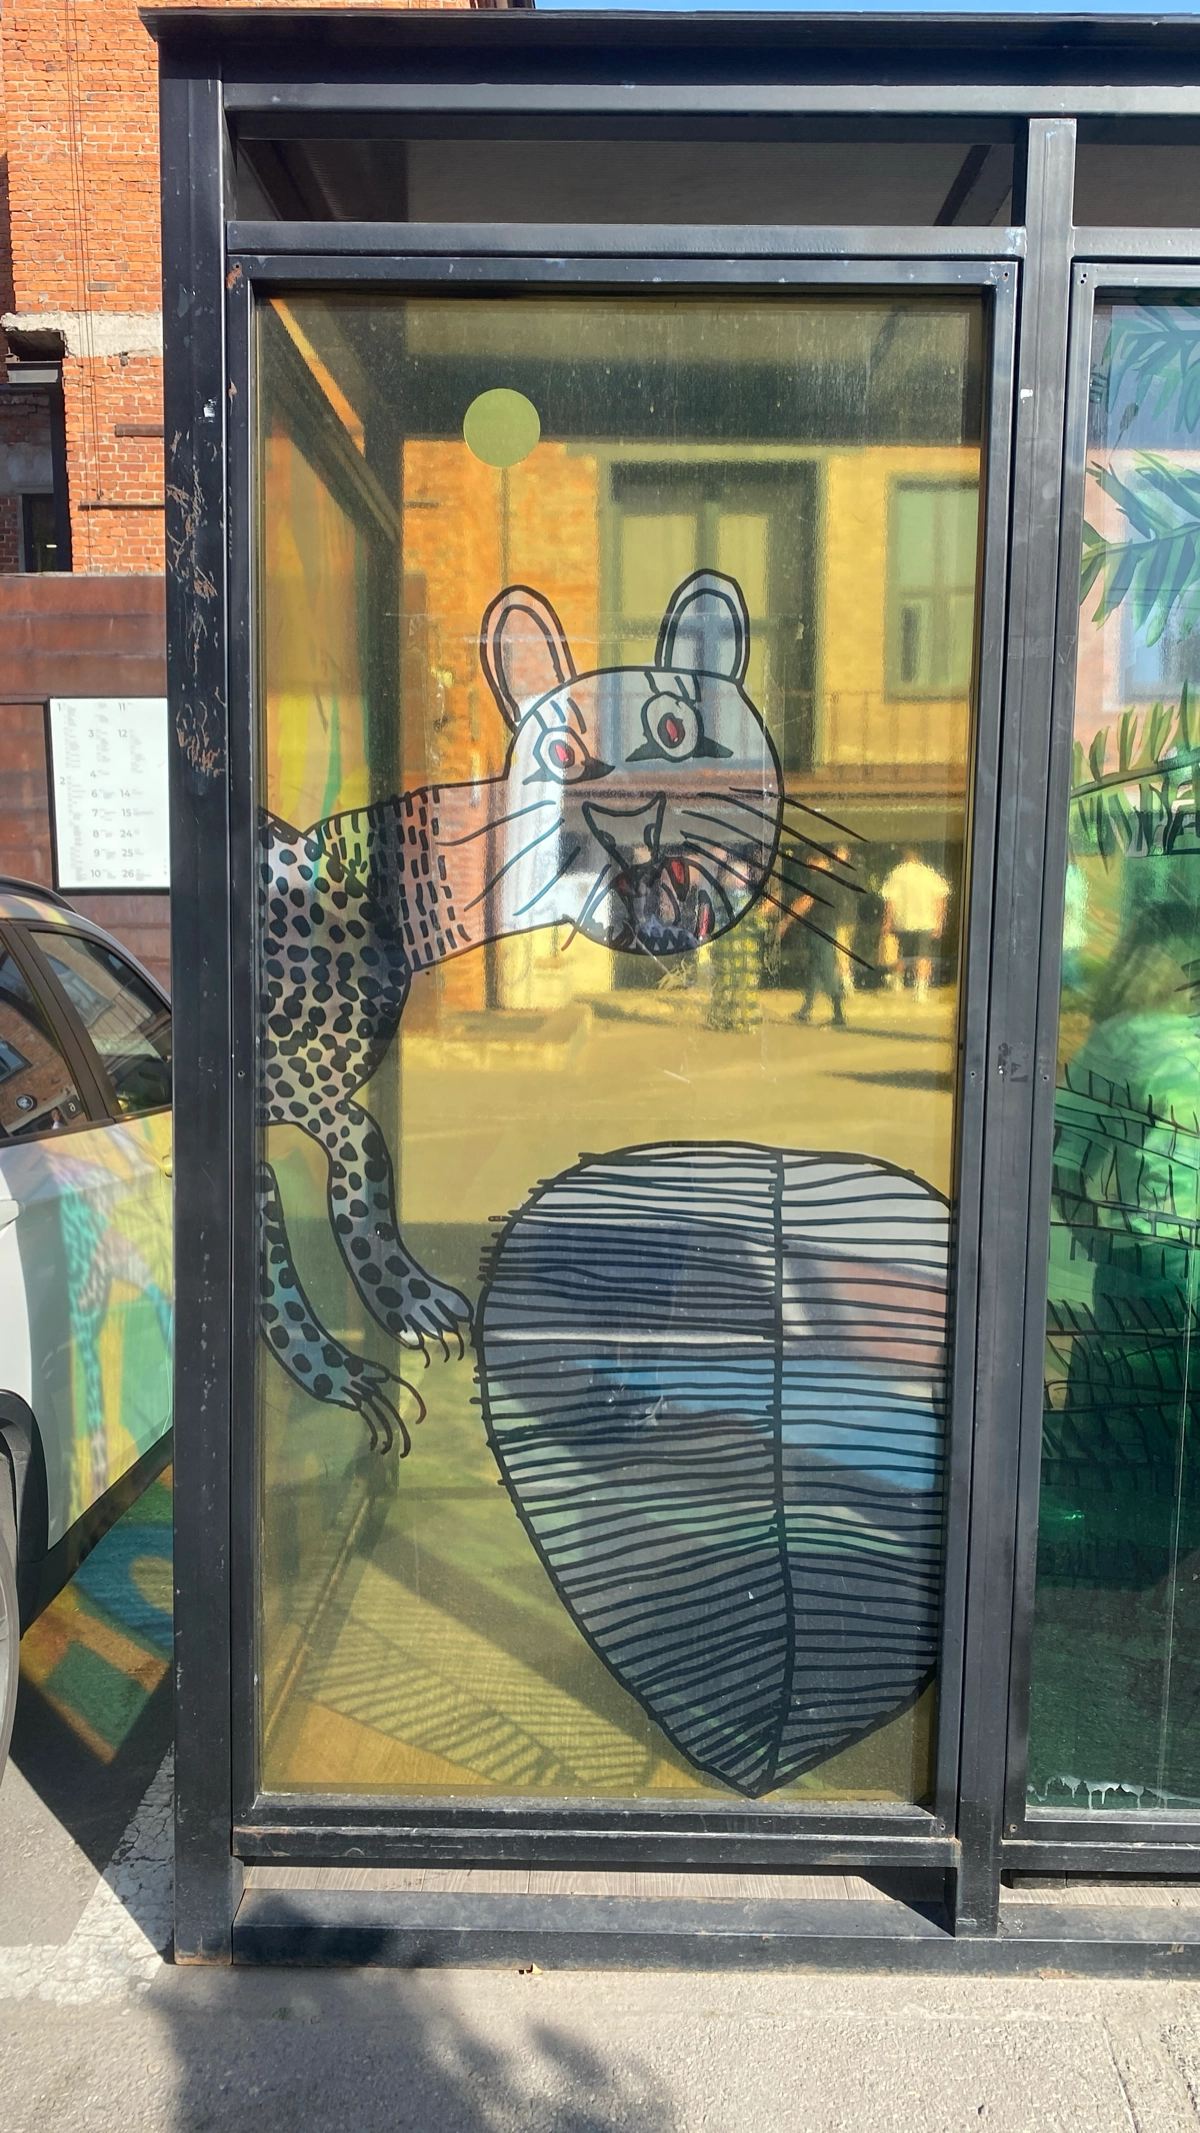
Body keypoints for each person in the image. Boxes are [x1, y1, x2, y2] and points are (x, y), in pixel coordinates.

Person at [780, 848, 856, 1028]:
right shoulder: (834, 877)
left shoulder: (819, 879)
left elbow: (805, 902)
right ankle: (805, 1010)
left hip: (821, 930)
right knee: (815, 970)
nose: (808, 869)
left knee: (827, 971)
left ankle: (838, 1014)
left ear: (813, 861)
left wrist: (786, 921)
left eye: (809, 864)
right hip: (828, 928)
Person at [880, 847, 950, 1002]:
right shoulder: (929, 874)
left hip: (903, 921)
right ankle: (921, 990)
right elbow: (941, 897)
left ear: (903, 857)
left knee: (901, 954)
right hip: (926, 921)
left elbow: (890, 901)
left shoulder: (897, 874)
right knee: (923, 955)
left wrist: (887, 921)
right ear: (919, 857)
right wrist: (939, 921)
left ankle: (897, 983)